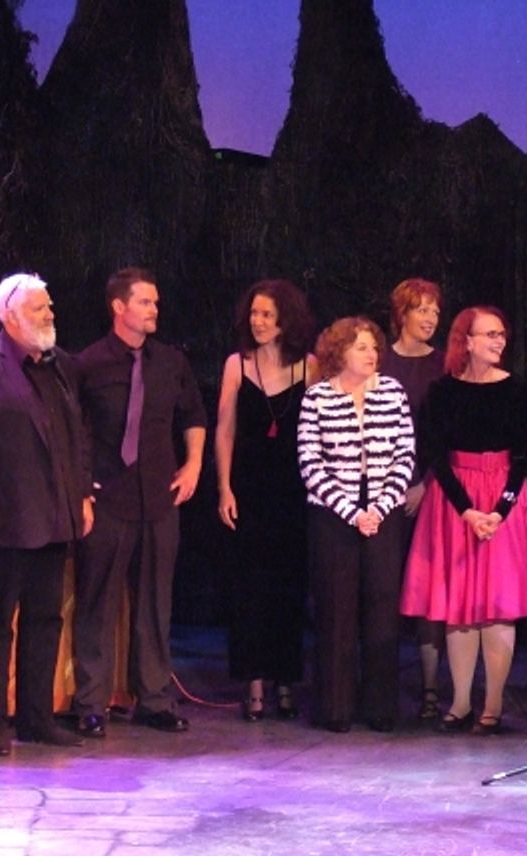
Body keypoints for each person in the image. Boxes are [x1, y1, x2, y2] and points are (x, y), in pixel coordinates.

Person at [0, 273, 93, 755]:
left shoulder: (61, 365)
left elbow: (79, 436)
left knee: (46, 618)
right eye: (38, 309)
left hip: (55, 514)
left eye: (49, 306)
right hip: (7, 516)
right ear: (9, 316)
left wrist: (82, 496)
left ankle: (37, 718)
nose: (49, 314)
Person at [400, 306, 527, 735]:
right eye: (489, 334)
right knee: (460, 606)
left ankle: (493, 705)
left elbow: (526, 458)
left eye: (501, 334)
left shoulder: (519, 390)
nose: (498, 341)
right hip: (455, 502)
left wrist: (498, 512)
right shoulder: (442, 391)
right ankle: (460, 702)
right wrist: (466, 510)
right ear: (466, 341)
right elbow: (435, 456)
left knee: (499, 605)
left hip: (505, 500)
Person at [72, 266, 206, 738]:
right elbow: (75, 432)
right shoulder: (88, 364)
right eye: (145, 302)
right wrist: (82, 490)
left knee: (155, 603)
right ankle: (92, 703)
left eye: (155, 302)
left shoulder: (169, 361)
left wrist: (194, 464)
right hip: (110, 498)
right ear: (119, 307)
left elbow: (193, 414)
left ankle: (153, 699)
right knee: (98, 603)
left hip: (159, 498)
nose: (154, 309)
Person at [297, 316, 414, 733]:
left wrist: (379, 508)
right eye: (362, 347)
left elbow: (405, 456)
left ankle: (381, 708)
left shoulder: (392, 392)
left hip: (383, 512)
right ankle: (335, 708)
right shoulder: (317, 398)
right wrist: (351, 512)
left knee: (382, 607)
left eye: (374, 347)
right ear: (340, 352)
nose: (371, 354)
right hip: (333, 516)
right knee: (335, 609)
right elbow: (310, 464)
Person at [214, 279, 318, 721]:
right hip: (249, 488)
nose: (257, 322)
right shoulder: (237, 364)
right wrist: (224, 487)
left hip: (294, 489)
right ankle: (254, 682)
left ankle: (285, 680)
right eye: (254, 314)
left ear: (286, 321)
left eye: (267, 315)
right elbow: (225, 429)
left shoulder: (309, 366)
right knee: (249, 587)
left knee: (288, 587)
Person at [379, 277, 446, 724]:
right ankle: (379, 688)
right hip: (383, 490)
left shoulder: (444, 365)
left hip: (430, 488)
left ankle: (430, 689)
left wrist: (423, 483)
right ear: (402, 313)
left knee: (427, 589)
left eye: (435, 311)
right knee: (383, 589)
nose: (430, 318)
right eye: (421, 309)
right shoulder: (379, 360)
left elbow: (447, 433)